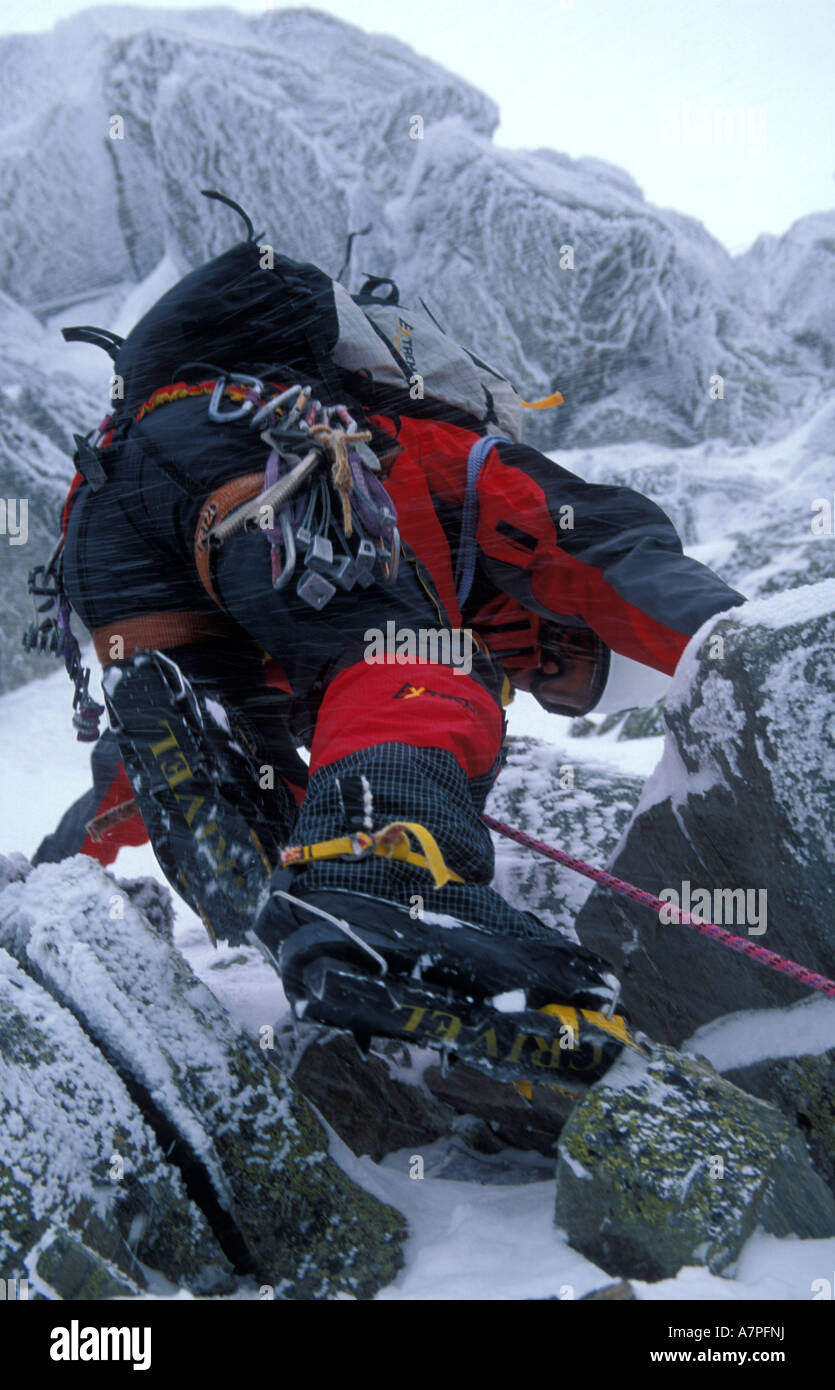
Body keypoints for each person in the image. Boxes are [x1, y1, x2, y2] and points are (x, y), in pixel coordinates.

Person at [53, 222, 746, 1080]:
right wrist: (750, 648)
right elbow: (612, 551)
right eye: (566, 673)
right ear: (563, 624)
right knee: (421, 666)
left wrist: (63, 863)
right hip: (256, 446)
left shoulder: (385, 548)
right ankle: (383, 887)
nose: (544, 686)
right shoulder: (460, 455)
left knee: (238, 757)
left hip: (107, 528)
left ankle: (303, 888)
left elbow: (132, 763)